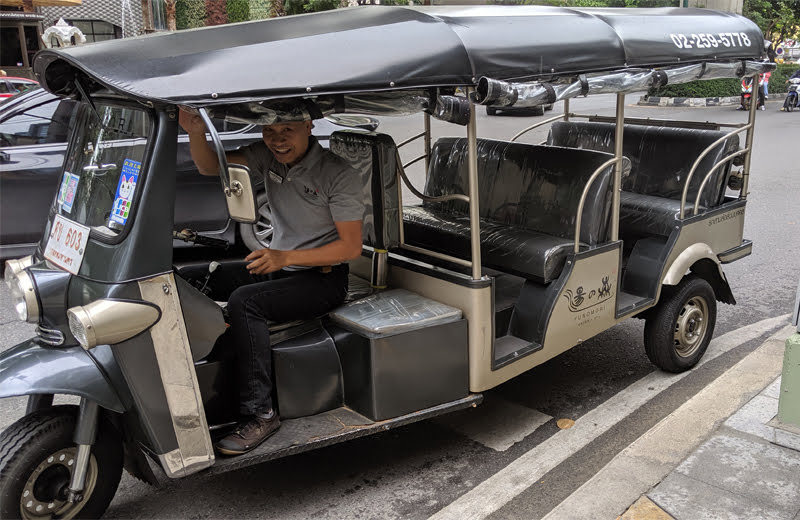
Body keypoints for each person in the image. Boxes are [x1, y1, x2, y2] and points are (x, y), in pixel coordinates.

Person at [179, 100, 364, 455]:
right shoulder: (267, 156)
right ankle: (210, 387)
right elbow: (206, 165)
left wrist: (285, 256)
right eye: (269, 131)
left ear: (309, 126)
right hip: (282, 266)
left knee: (245, 303)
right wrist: (196, 131)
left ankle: (261, 413)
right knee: (193, 279)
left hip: (322, 280)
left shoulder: (337, 173)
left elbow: (350, 248)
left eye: (287, 130)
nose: (277, 140)